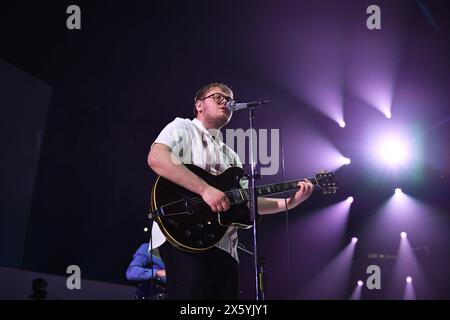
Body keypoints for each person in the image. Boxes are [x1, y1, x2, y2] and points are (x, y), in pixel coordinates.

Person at [147, 82, 314, 299]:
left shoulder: (231, 156)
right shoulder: (183, 127)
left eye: (229, 99)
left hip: (225, 247)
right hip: (186, 234)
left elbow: (246, 201)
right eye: (219, 97)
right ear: (199, 105)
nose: (226, 102)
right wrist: (205, 189)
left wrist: (290, 202)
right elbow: (157, 158)